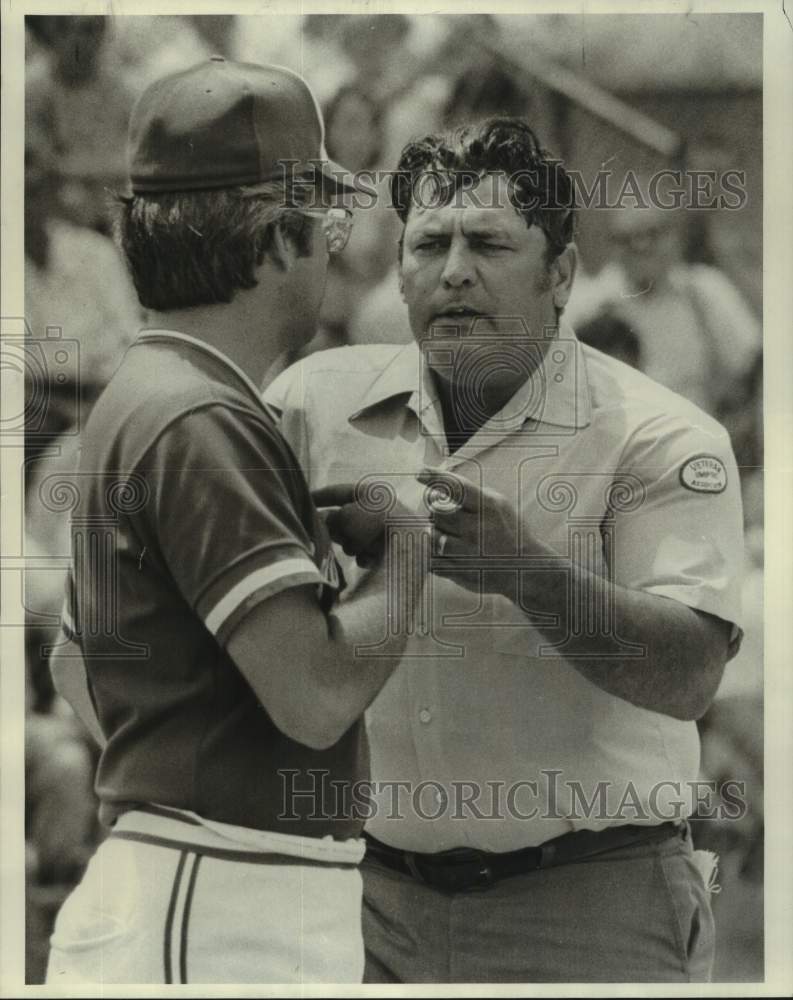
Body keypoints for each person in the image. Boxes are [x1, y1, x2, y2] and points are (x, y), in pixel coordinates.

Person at [266, 117, 746, 983]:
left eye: (488, 242)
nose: (453, 271)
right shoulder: (308, 408)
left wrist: (527, 576)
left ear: (560, 274)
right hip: (363, 906)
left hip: (590, 907)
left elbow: (688, 677)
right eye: (428, 244)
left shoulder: (661, 436)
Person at [45, 57, 420, 985]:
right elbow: (317, 698)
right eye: (323, 223)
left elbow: (70, 664)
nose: (335, 248)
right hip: (222, 902)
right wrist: (407, 550)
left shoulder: (153, 390)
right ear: (274, 241)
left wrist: (170, 780)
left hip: (196, 881)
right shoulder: (200, 416)